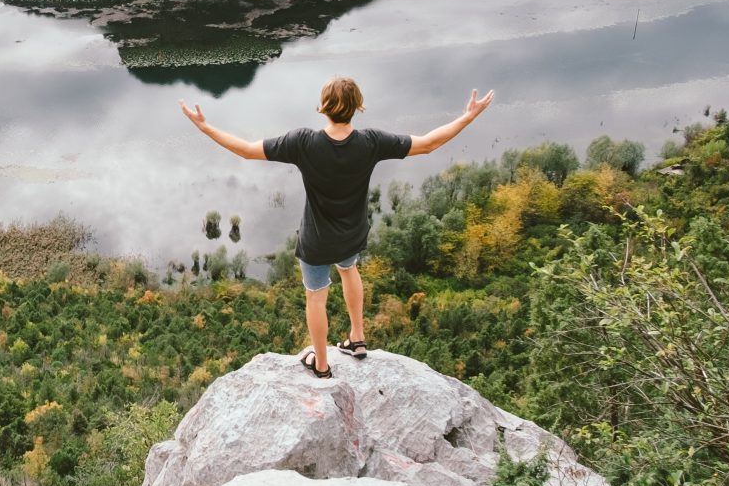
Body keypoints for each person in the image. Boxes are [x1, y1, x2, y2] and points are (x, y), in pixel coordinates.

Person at [180, 77, 494, 378]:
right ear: (359, 106)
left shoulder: (303, 143)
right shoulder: (371, 143)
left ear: (323, 107)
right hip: (352, 235)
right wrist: (468, 117)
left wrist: (205, 127)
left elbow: (247, 150)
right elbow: (427, 145)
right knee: (349, 270)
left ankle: (321, 364)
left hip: (317, 242)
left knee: (316, 297)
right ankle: (357, 339)